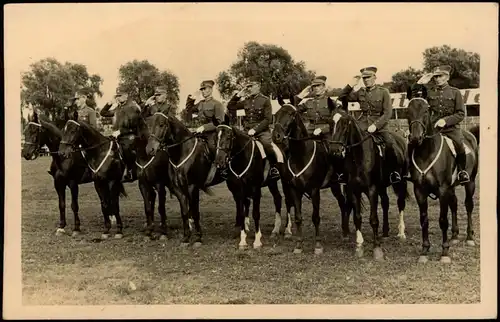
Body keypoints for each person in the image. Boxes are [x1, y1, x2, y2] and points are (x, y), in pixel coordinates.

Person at [338, 66, 404, 184]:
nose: (366, 80)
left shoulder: (383, 92)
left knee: (390, 144)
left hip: (380, 126)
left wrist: (376, 125)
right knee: (347, 143)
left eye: (368, 77)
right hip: (362, 125)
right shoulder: (360, 92)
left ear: (374, 77)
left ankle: (393, 173)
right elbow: (342, 97)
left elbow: (388, 112)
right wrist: (350, 85)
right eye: (364, 78)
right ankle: (344, 173)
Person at [411, 65, 470, 184]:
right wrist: (420, 82)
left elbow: (460, 113)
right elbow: (415, 96)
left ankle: (461, 171)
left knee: (459, 144)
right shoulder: (429, 91)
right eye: (435, 76)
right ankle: (408, 170)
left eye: (440, 76)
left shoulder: (455, 92)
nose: (437, 79)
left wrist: (446, 121)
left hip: (450, 129)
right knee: (413, 142)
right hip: (432, 129)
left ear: (447, 77)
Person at [226, 76, 282, 179]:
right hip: (246, 131)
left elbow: (267, 119)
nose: (249, 89)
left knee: (267, 145)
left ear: (258, 87)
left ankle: (274, 168)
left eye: (251, 86)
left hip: (262, 131)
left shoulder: (265, 100)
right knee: (233, 144)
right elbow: (230, 106)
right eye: (248, 87)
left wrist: (255, 129)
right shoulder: (246, 101)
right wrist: (238, 95)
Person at [185, 79, 226, 184]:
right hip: (199, 133)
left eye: (205, 89)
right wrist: (191, 99)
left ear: (211, 90)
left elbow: (219, 122)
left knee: (214, 149)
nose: (203, 91)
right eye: (202, 89)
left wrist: (205, 127)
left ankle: (221, 171)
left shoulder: (217, 104)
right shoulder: (200, 103)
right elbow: (189, 110)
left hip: (211, 134)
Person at [99, 88, 142, 183]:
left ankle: (131, 171)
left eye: (120, 96)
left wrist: (120, 131)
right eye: (117, 96)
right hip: (117, 136)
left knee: (127, 149)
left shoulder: (132, 107)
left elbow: (134, 125)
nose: (118, 98)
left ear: (126, 96)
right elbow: (103, 113)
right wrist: (109, 103)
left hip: (129, 135)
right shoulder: (117, 108)